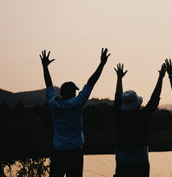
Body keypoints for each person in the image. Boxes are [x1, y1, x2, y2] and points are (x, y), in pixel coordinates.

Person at [41, 48, 110, 177]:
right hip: (74, 152)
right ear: (73, 93)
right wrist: (102, 64)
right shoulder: (78, 103)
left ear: (61, 93)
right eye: (75, 91)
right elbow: (91, 82)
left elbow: (49, 85)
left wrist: (45, 67)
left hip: (58, 151)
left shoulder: (53, 104)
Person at [113, 62, 165, 177]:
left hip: (122, 160)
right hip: (140, 160)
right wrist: (161, 78)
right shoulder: (142, 116)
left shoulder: (118, 114)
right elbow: (154, 100)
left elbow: (117, 97)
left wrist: (119, 78)